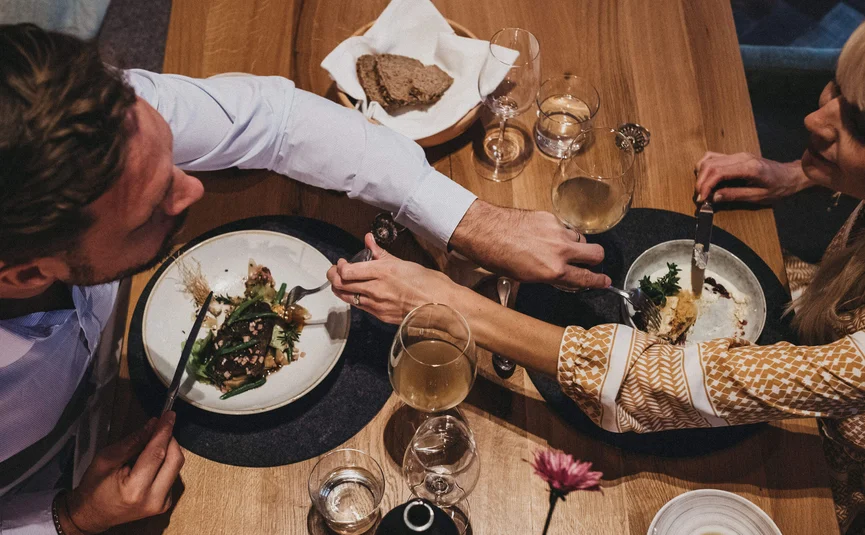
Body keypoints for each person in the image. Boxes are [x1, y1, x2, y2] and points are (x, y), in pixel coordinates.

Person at [0, 23, 609, 534]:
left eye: (172, 155)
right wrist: (67, 518)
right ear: (27, 273)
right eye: (152, 208)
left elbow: (276, 120)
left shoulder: (85, 112)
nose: (193, 189)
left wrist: (470, 221)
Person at [329, 22, 865, 533]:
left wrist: (451, 306)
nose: (812, 120)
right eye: (835, 90)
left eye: (859, 125)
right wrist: (802, 174)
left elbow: (677, 382)